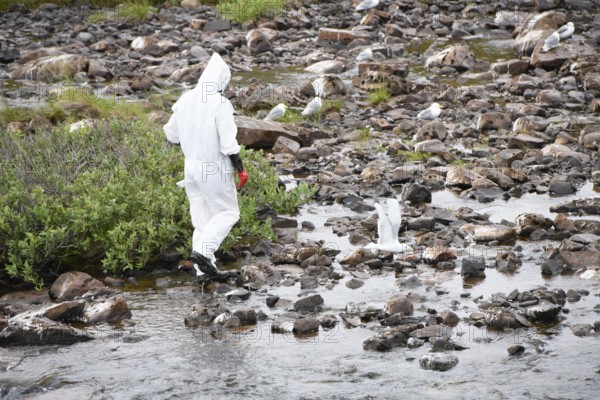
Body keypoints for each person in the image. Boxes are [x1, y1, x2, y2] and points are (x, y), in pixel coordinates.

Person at [163, 52, 248, 282]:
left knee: (201, 219)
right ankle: (202, 253)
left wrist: (193, 139)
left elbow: (170, 134)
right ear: (221, 81)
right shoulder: (220, 103)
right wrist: (241, 170)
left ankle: (203, 272)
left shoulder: (185, 99)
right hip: (214, 168)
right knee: (228, 212)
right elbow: (229, 143)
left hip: (190, 167)